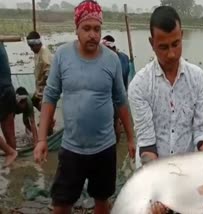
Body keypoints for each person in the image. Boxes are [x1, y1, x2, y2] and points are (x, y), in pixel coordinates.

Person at [128, 6, 203, 214]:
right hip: (152, 177)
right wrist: (156, 193)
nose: (172, 54)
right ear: (151, 44)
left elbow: (201, 131)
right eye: (163, 47)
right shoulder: (139, 85)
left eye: (176, 44)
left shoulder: (197, 78)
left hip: (190, 179)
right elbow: (147, 146)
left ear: (182, 35)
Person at [33, 0, 135, 213]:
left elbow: (121, 100)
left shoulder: (112, 60)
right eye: (86, 28)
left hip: (105, 148)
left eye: (97, 29)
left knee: (102, 201)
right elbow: (50, 97)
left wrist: (131, 137)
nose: (93, 34)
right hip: (71, 148)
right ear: (76, 29)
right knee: (61, 204)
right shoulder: (62, 55)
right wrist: (42, 139)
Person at [102, 35, 130, 144]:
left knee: (113, 123)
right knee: (117, 119)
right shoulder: (125, 57)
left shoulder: (111, 60)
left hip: (112, 98)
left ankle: (113, 144)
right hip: (122, 94)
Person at [26, 31, 55, 136]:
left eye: (32, 46)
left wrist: (44, 83)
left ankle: (50, 129)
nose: (31, 49)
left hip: (46, 89)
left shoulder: (44, 53)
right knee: (33, 100)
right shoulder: (37, 53)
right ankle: (49, 119)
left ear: (37, 44)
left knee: (46, 119)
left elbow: (50, 71)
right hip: (40, 88)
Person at [0, 42, 18, 167]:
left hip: (2, 91)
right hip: (8, 90)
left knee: (8, 129)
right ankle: (12, 154)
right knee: (8, 129)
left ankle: (10, 152)